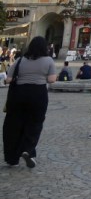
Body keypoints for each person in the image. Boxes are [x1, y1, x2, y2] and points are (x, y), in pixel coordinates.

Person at [3, 36, 56, 168]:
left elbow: (8, 79)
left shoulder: (20, 60)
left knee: (13, 125)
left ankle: (12, 158)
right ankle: (28, 150)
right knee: (35, 123)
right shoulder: (49, 60)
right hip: (38, 93)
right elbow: (51, 80)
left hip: (19, 94)